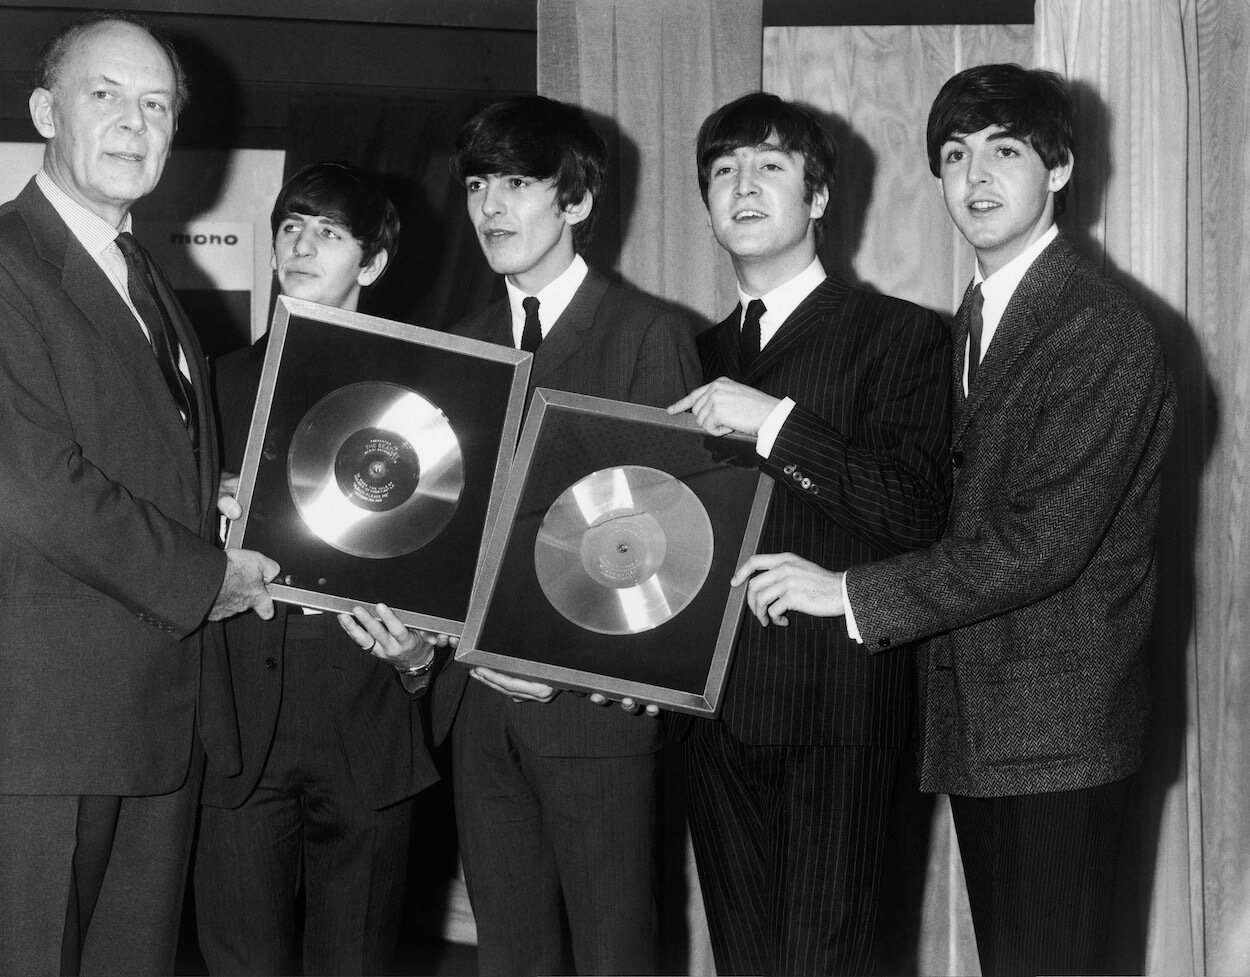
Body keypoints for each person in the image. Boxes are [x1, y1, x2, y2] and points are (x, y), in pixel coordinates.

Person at [733, 65, 1175, 977]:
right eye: (954, 153)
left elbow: (1040, 543)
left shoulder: (1100, 328)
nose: (974, 176)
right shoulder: (978, 315)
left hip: (1059, 733)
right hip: (987, 725)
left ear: (1058, 170)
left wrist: (846, 590)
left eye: (1004, 151)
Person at [0, 12, 277, 975]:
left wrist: (218, 502)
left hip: (154, 722)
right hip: (45, 731)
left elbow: (136, 454)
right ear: (45, 111)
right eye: (105, 95)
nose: (133, 122)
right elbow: (31, 484)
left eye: (155, 104)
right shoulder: (7, 263)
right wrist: (208, 575)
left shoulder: (145, 275)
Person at [667, 92, 951, 976]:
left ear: (820, 198)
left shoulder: (901, 335)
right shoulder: (688, 351)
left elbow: (917, 509)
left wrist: (776, 424)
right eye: (723, 171)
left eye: (770, 166)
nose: (742, 186)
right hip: (712, 714)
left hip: (840, 706)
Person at [430, 94, 700, 976]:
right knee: (507, 956)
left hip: (593, 716)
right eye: (477, 184)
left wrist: (554, 659)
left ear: (576, 202)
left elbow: (669, 537)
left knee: (616, 953)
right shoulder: (460, 346)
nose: (491, 207)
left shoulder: (648, 336)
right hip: (476, 710)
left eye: (517, 182)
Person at [195, 161, 448, 975]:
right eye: (291, 226)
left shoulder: (430, 399)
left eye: (329, 232)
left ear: (371, 263)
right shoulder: (214, 384)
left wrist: (420, 657)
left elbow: (449, 566)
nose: (301, 245)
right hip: (240, 722)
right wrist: (210, 513)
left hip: (367, 717)